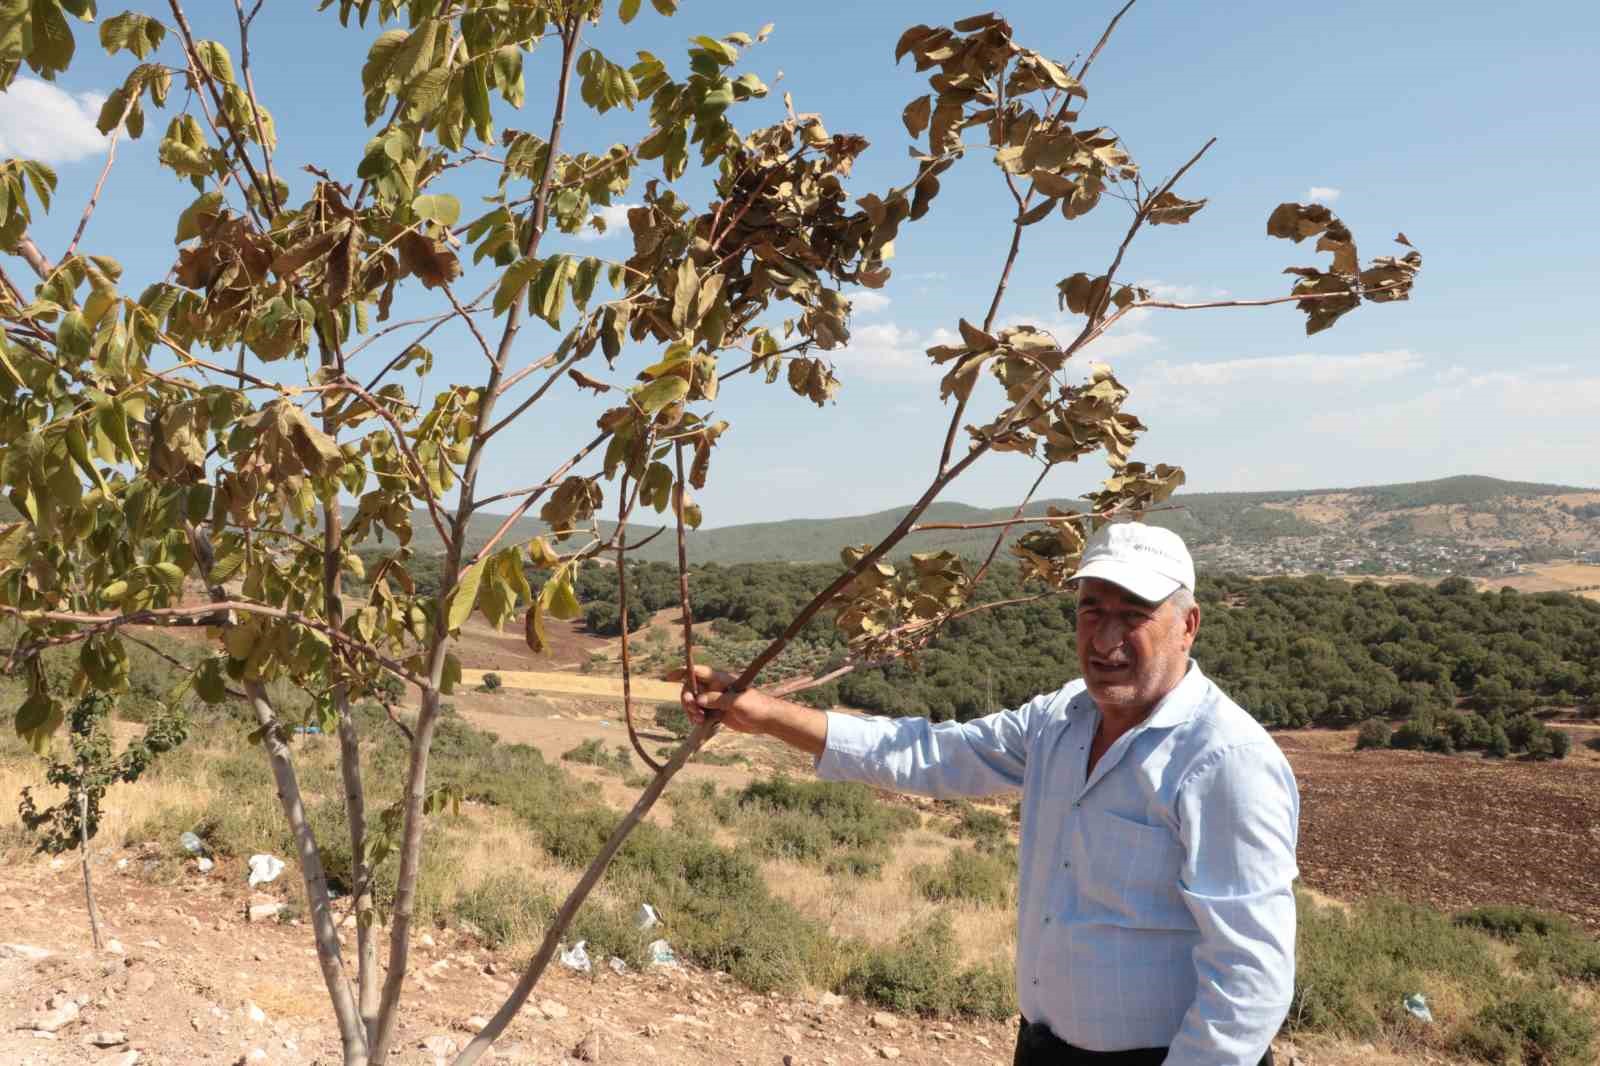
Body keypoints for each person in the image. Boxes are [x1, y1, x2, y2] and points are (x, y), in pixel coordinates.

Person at [675, 522, 1299, 1066]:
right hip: (1043, 1048)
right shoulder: (1061, 718)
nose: (1106, 637)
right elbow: (933, 754)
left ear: (1187, 625)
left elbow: (1250, 977)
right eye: (1091, 610)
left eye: (1134, 614)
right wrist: (765, 715)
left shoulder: (1225, 760)